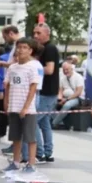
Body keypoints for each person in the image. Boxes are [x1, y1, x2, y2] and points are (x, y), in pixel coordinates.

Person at [0, 37, 41, 174]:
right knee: (15, 137)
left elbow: (33, 88)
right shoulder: (12, 67)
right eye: (19, 47)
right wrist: (6, 102)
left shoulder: (32, 67)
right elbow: (7, 85)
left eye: (24, 48)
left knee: (30, 137)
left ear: (30, 50)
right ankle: (16, 162)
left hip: (27, 109)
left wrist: (25, 107)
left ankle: (31, 163)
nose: (21, 50)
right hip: (13, 107)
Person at [32, 23, 60, 163]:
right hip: (46, 91)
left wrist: (32, 68)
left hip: (47, 91)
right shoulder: (43, 49)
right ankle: (47, 152)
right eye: (34, 33)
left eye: (39, 33)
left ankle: (39, 153)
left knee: (33, 121)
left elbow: (49, 70)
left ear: (47, 34)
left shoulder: (50, 48)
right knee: (44, 123)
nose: (35, 36)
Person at [52, 62, 85, 128]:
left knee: (67, 105)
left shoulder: (78, 77)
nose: (65, 71)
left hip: (77, 97)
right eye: (64, 70)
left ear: (71, 69)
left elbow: (78, 92)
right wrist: (59, 99)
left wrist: (66, 100)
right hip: (65, 97)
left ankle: (54, 123)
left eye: (67, 69)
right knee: (52, 103)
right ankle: (60, 122)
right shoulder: (62, 78)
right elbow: (60, 91)